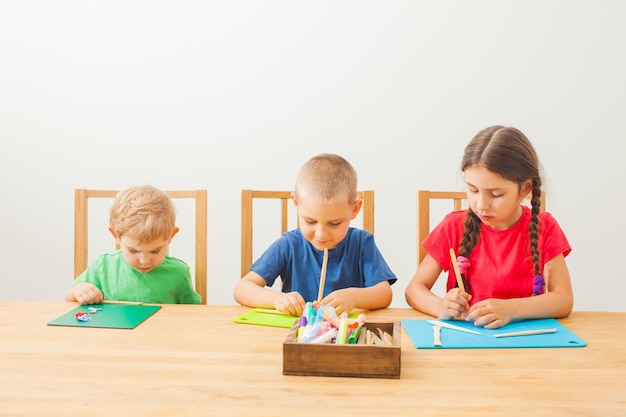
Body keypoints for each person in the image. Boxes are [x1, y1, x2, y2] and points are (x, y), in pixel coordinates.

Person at [405, 126, 573, 329]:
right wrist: (441, 306)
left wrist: (512, 310)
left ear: (526, 188)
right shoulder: (453, 226)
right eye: (473, 190)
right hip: (465, 342)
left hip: (526, 342)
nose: (481, 205)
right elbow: (414, 289)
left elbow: (563, 300)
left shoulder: (544, 227)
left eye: (495, 194)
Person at [234, 153, 397, 316]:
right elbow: (242, 289)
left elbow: (384, 294)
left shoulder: (362, 243)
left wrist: (353, 297)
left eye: (334, 223)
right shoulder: (289, 244)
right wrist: (277, 299)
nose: (321, 234)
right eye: (310, 221)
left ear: (355, 209)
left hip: (346, 336)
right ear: (296, 204)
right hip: (297, 335)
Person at [66, 185, 202, 305]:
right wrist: (79, 290)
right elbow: (69, 300)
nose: (144, 261)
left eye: (155, 251)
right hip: (113, 333)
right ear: (116, 236)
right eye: (133, 251)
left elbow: (193, 315)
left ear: (170, 237)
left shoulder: (179, 273)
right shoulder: (103, 266)